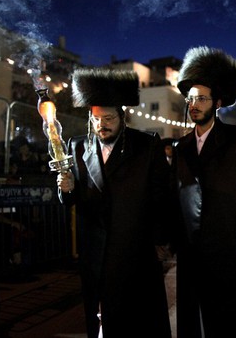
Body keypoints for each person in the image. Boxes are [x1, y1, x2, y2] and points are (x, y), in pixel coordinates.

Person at [55, 69, 172, 338]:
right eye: (96, 119)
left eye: (108, 118)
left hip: (136, 247)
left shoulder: (146, 144)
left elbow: (160, 195)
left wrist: (161, 240)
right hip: (96, 250)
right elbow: (70, 197)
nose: (101, 125)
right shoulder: (77, 146)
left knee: (140, 318)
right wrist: (66, 189)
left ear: (122, 117)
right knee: (101, 316)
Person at [173, 46, 236, 337]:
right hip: (193, 251)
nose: (194, 105)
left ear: (217, 102)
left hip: (234, 247)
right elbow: (175, 196)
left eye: (201, 99)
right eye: (191, 99)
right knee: (198, 321)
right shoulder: (181, 148)